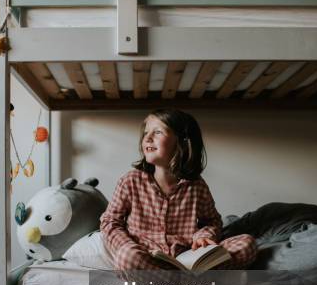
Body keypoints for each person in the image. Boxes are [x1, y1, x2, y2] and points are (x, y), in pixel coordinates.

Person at [100, 108, 256, 272]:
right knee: (127, 257)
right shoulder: (130, 181)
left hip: (187, 258)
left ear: (183, 142)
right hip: (148, 258)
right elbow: (110, 222)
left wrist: (204, 236)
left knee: (247, 244)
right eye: (146, 132)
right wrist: (126, 245)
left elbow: (211, 221)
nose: (148, 138)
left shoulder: (196, 186)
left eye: (158, 132)